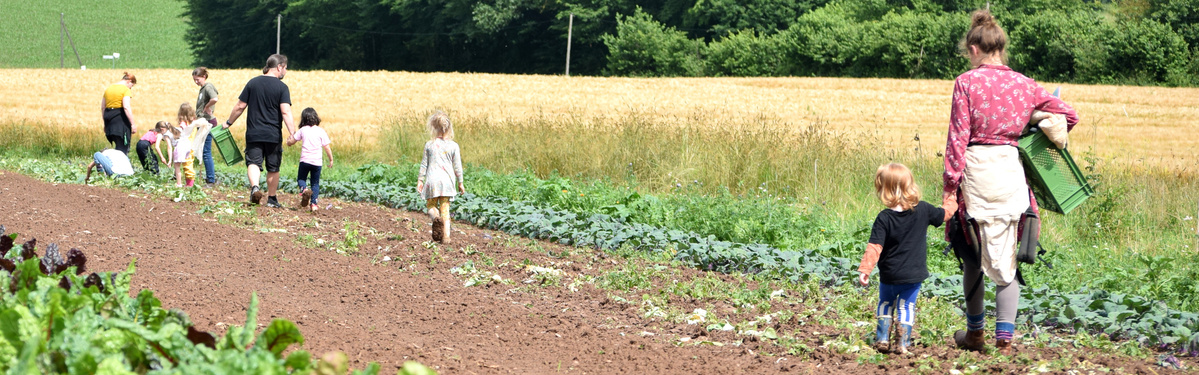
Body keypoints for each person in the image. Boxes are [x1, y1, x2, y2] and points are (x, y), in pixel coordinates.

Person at [944, 9, 1079, 356]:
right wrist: (1031, 124)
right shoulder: (1026, 84)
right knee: (1007, 253)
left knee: (973, 251)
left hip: (977, 171)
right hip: (1010, 170)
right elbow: (1070, 115)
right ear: (1001, 48)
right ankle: (1005, 338)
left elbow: (958, 138)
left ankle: (975, 335)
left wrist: (948, 188)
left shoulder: (966, 82)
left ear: (974, 49)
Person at [857, 163, 955, 355]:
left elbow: (874, 247)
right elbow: (945, 215)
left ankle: (883, 339)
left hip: (889, 275)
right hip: (913, 275)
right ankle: (903, 343)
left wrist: (865, 269)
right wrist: (952, 199)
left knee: (885, 304)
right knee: (907, 307)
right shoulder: (924, 210)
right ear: (910, 185)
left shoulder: (884, 218)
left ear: (883, 189)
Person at [222, 54, 296, 208]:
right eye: (285, 68)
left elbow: (240, 106)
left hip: (254, 133)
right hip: (273, 134)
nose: (286, 71)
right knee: (273, 167)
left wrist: (229, 122)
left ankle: (255, 187)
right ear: (279, 67)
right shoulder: (282, 87)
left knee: (254, 162)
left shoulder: (253, 83)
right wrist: (293, 133)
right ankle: (272, 199)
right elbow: (285, 112)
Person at [416, 111, 465, 244]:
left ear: (433, 127)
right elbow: (458, 167)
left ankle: (435, 217)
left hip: (432, 181)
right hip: (447, 182)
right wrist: (460, 183)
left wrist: (420, 180)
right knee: (445, 209)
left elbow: (424, 164)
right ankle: (446, 237)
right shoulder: (454, 146)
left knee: (431, 205)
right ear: (449, 128)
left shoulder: (429, 145)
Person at [286, 108, 334, 212]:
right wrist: (331, 159)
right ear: (316, 118)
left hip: (305, 161)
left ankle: (304, 189)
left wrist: (288, 142)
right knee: (315, 183)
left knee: (301, 179)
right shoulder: (321, 131)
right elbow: (327, 147)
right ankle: (314, 204)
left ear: (303, 119)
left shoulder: (303, 130)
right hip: (317, 162)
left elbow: (292, 141)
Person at [193, 67, 219, 186]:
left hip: (207, 123)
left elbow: (214, 98)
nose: (196, 82)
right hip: (203, 122)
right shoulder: (203, 88)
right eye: (194, 80)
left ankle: (211, 180)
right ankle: (210, 178)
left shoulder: (208, 87)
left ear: (204, 77)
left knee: (206, 152)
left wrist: (207, 107)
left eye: (197, 79)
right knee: (203, 150)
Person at [174, 103, 211, 188]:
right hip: (191, 146)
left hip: (184, 146)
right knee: (189, 163)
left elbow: (180, 133)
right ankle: (189, 183)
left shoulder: (183, 124)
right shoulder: (194, 123)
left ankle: (189, 184)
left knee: (184, 165)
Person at [101, 72, 138, 153]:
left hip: (109, 120)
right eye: (131, 86)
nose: (130, 88)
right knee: (123, 148)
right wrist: (133, 124)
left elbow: (103, 107)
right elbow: (126, 107)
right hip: (120, 120)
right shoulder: (125, 90)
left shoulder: (108, 89)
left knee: (117, 146)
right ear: (129, 81)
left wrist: (105, 124)